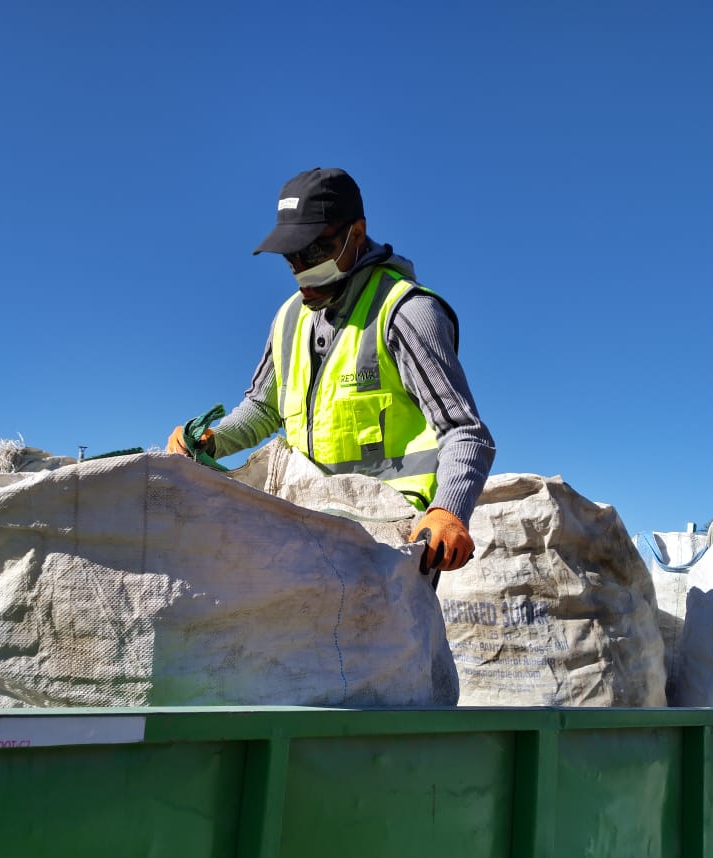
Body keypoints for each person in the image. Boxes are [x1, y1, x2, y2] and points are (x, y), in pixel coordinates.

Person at [168, 167, 495, 577]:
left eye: (317, 252)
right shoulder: (289, 318)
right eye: (292, 258)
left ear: (357, 234)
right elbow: (262, 409)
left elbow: (465, 431)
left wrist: (448, 510)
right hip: (304, 531)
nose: (303, 269)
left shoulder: (405, 312)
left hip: (390, 542)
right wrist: (211, 442)